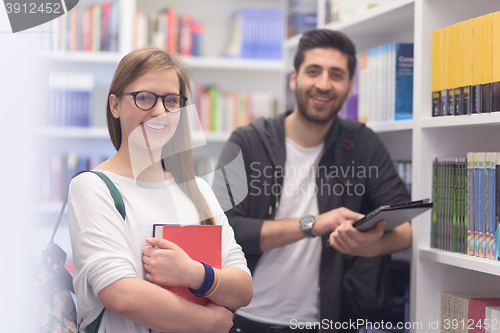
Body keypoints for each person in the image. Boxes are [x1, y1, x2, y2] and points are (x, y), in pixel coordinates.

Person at [212, 29, 412, 333]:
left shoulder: (362, 143)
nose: (323, 84)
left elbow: (406, 228)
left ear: (349, 86)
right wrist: (310, 224)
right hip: (243, 317)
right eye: (313, 71)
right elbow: (222, 227)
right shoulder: (247, 141)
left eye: (336, 75)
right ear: (294, 78)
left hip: (328, 322)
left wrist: (366, 245)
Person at [68, 48, 252, 333]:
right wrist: (209, 322)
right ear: (115, 105)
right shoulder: (93, 187)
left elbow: (242, 288)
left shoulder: (198, 190)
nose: (159, 111)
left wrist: (194, 273)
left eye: (171, 101)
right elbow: (121, 294)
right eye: (144, 98)